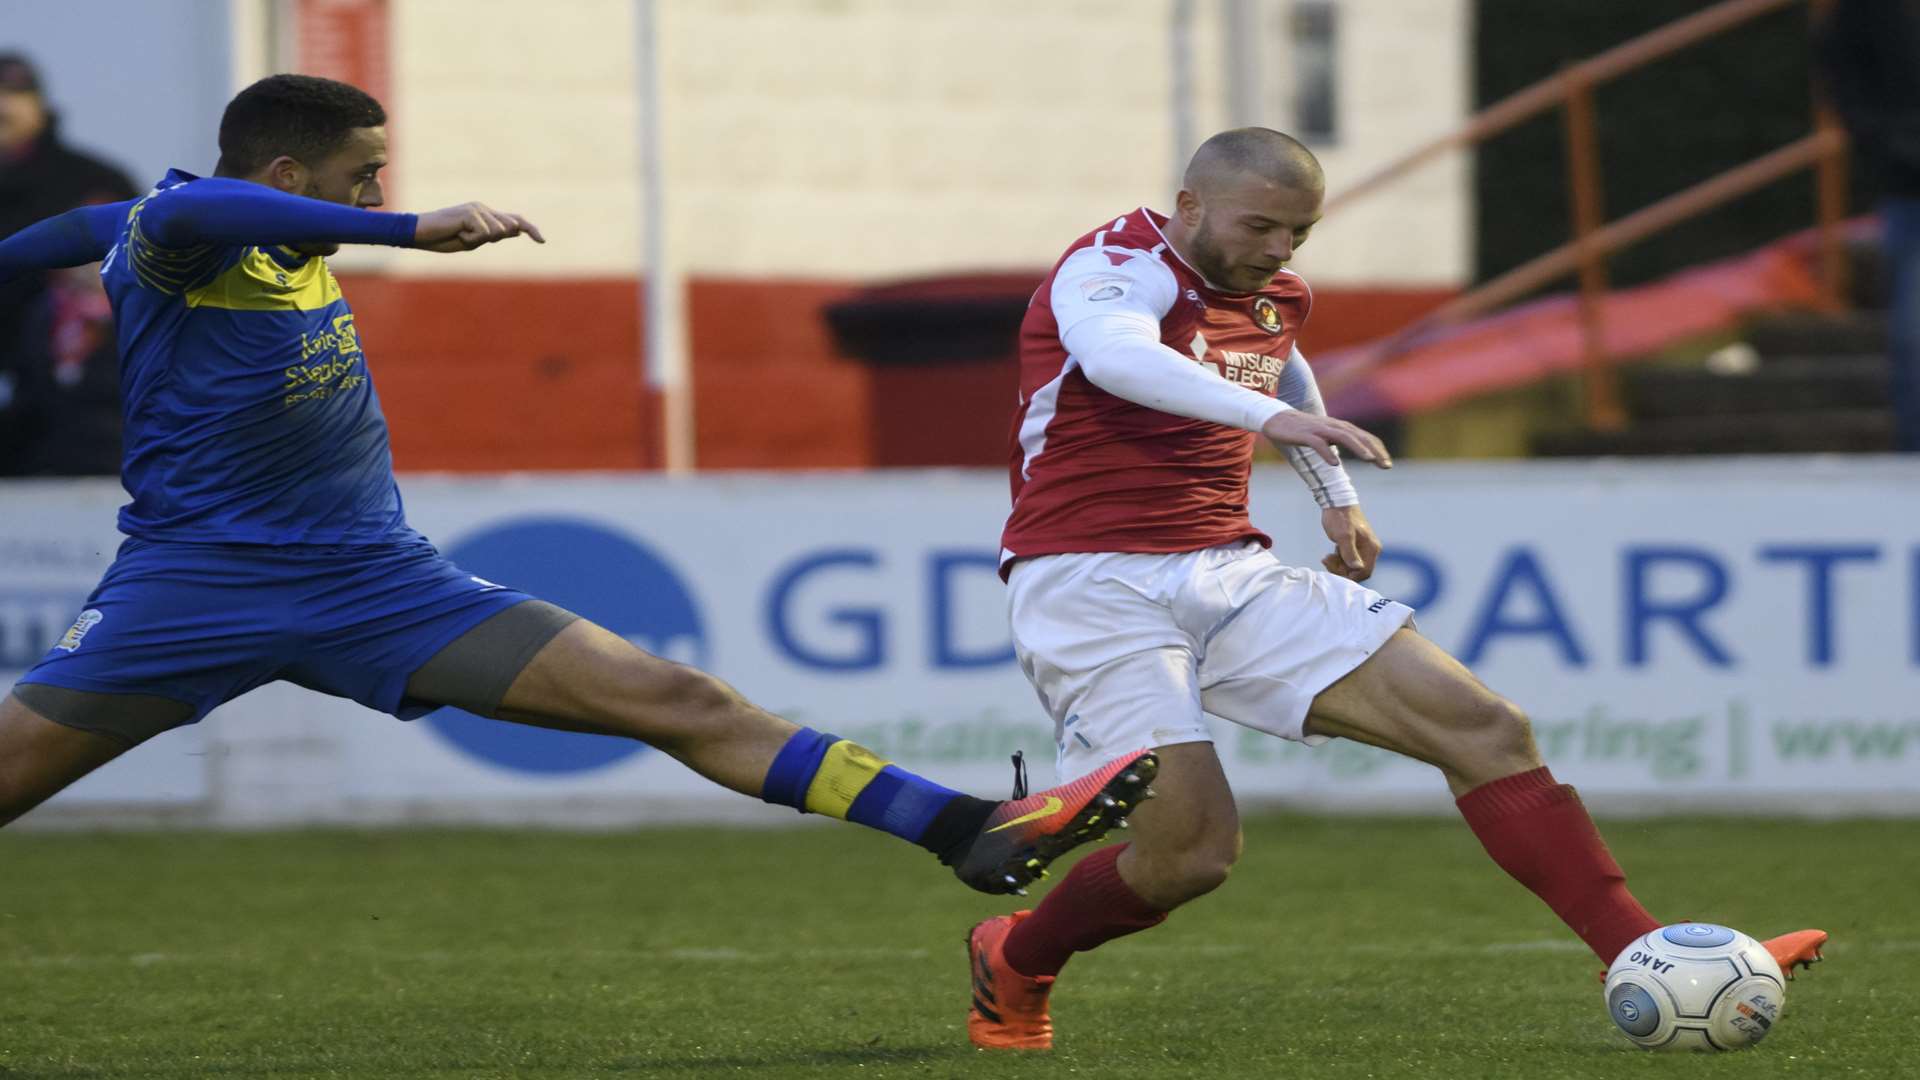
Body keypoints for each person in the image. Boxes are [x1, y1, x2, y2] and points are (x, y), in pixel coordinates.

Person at [0, 74, 1159, 903]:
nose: (375, 194)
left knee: (678, 698)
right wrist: (413, 228)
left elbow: (72, 225)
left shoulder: (218, 233)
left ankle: (961, 827)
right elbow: (184, 207)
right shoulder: (188, 232)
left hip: (375, 581)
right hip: (195, 586)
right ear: (294, 173)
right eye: (363, 178)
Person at [964, 127, 1829, 1050]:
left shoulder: (1273, 291)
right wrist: (1279, 418)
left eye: (1298, 233)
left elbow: (1281, 358)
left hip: (1226, 566)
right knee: (1191, 856)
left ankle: (1643, 952)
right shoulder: (1112, 266)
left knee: (1485, 727)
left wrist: (1335, 495)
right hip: (1091, 582)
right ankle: (1016, 957)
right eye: (1261, 226)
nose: (1279, 251)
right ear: (1189, 205)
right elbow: (1117, 361)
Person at [0, 52, 138, 473]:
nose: (3, 105)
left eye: (15, 93)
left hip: (87, 405)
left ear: (40, 104)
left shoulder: (95, 182)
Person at [1817, 0, 1920, 451]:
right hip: (1910, 188)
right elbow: (1847, 87)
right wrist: (1897, 149)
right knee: (1914, 332)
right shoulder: (1862, 14)